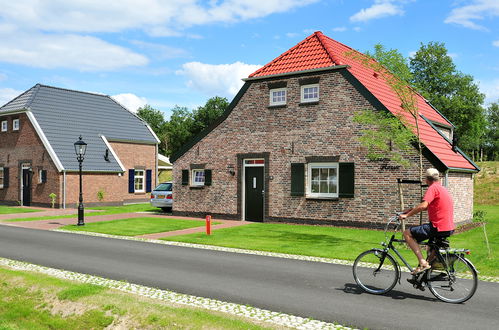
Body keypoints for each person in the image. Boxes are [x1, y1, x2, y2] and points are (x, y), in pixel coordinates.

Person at [399, 168, 455, 274]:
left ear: (426, 180)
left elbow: (423, 205)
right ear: (438, 178)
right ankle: (424, 271)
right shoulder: (442, 188)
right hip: (448, 227)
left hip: (437, 227)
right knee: (431, 247)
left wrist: (406, 215)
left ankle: (422, 262)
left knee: (407, 233)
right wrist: (410, 210)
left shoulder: (432, 188)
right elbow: (425, 207)